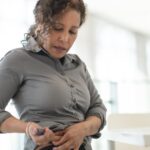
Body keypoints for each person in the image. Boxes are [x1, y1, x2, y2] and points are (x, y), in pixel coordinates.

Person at [0, 0, 107, 150]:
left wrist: (82, 129)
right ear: (40, 23)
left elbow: (98, 109)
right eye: (57, 28)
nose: (64, 38)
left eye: (72, 31)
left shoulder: (78, 65)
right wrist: (27, 128)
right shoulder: (17, 60)